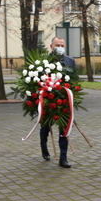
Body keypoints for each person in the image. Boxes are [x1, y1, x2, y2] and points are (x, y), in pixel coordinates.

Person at [39, 37, 77, 168]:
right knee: (45, 126)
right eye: (57, 45)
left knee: (64, 128)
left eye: (62, 45)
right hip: (48, 98)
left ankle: (63, 158)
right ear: (51, 46)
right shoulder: (44, 61)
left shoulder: (70, 61)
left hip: (64, 99)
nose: (60, 47)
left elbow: (74, 80)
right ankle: (43, 145)